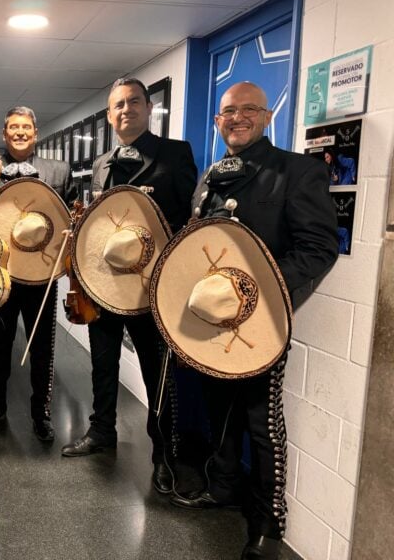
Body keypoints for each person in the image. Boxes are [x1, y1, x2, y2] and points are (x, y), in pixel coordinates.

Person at [169, 82, 338, 560]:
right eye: (228, 111)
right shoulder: (211, 176)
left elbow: (318, 249)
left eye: (249, 110)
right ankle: (223, 486)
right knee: (219, 407)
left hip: (262, 320)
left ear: (267, 117)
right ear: (217, 121)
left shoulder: (297, 171)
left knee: (261, 423)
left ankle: (268, 523)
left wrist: (253, 290)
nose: (237, 118)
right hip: (211, 321)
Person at [60, 78, 198, 496]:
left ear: (149, 108)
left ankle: (163, 454)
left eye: (134, 101)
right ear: (109, 115)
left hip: (149, 283)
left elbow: (186, 219)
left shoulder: (176, 153)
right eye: (118, 105)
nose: (126, 109)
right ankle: (102, 430)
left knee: (157, 371)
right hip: (103, 282)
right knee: (103, 363)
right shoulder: (102, 162)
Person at [0, 106, 77, 442]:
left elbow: (71, 216)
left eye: (26, 127)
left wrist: (70, 237)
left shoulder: (59, 170)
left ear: (36, 133)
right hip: (0, 272)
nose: (19, 132)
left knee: (42, 348)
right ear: (4, 134)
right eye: (13, 127)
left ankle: (41, 414)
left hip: (41, 273)